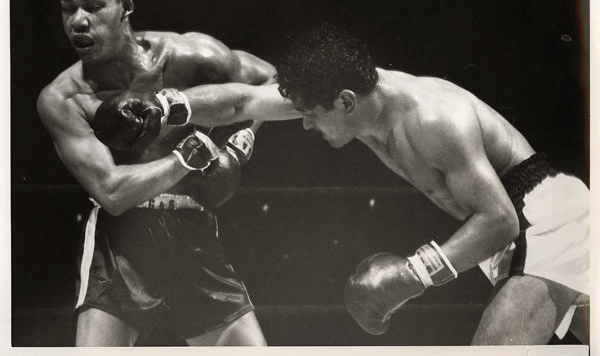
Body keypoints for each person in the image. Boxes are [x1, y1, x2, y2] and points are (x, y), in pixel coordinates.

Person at [113, 23, 590, 345]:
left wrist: (414, 274)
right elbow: (241, 102)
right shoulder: (351, 98)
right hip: (518, 231)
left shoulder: (433, 118)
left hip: (539, 219)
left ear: (344, 102)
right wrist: (168, 107)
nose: (304, 126)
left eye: (312, 116)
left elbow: (501, 219)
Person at [37, 0, 278, 346]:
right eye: (68, 9)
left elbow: (269, 80)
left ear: (125, 7)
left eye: (94, 6)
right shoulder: (65, 98)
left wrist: (239, 145)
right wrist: (189, 156)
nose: (78, 20)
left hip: (193, 232)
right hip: (122, 245)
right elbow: (112, 192)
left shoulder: (192, 57)